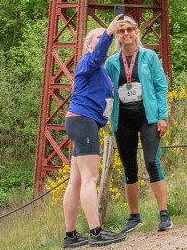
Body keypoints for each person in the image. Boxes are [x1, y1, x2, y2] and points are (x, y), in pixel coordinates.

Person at [62, 16, 129, 248]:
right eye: (99, 37)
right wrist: (109, 33)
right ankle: (96, 232)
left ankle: (70, 236)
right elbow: (100, 54)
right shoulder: (88, 61)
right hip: (82, 121)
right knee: (90, 178)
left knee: (77, 180)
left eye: (105, 36)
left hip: (80, 122)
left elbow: (108, 99)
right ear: (89, 44)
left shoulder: (98, 70)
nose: (104, 39)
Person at [105, 15, 172, 233]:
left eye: (129, 30)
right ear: (116, 35)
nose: (126, 34)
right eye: (121, 30)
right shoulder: (112, 62)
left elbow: (161, 86)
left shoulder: (149, 56)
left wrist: (163, 116)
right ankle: (134, 217)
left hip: (148, 117)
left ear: (136, 32)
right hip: (122, 119)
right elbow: (105, 91)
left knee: (152, 162)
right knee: (129, 168)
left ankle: (164, 214)